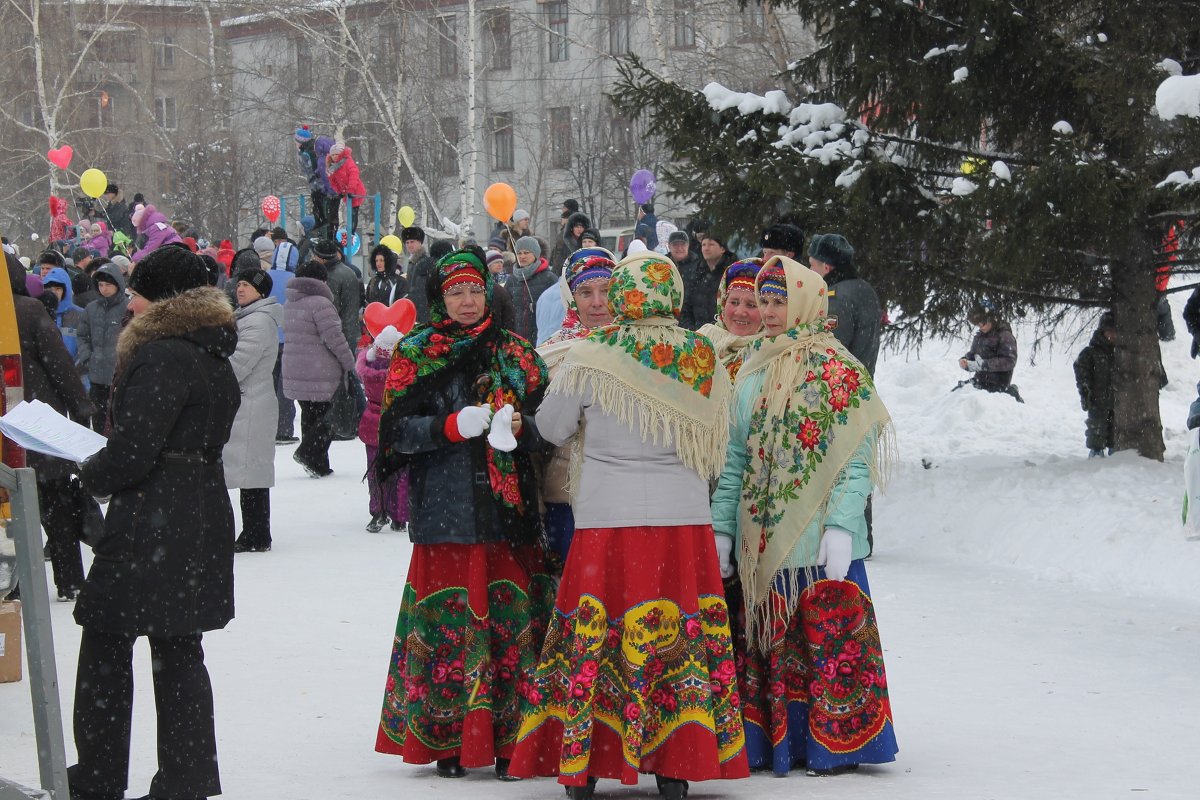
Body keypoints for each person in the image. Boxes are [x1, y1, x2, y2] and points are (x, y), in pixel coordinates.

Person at [509, 252, 745, 800]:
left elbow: (551, 425)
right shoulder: (701, 355)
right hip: (682, 518)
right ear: (675, 295)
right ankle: (675, 761)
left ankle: (587, 759)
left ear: (622, 296)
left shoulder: (593, 355)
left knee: (599, 636)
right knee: (677, 637)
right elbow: (720, 435)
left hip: (606, 519)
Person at [711, 256, 898, 777]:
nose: (769, 312)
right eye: (764, 301)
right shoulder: (751, 370)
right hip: (762, 539)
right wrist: (722, 528)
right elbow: (735, 462)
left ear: (808, 302)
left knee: (824, 639)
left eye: (779, 301)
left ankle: (834, 743)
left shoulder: (839, 371)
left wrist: (842, 525)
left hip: (818, 541)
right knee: (770, 641)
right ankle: (780, 742)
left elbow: (855, 456)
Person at [373, 247, 554, 781]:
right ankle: (446, 738)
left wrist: (518, 429)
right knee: (449, 626)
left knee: (508, 625)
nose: (468, 301)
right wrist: (448, 427)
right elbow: (393, 437)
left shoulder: (518, 354)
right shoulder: (415, 351)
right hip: (445, 512)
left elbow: (550, 432)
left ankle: (509, 740)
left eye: (475, 289)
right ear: (439, 298)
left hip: (508, 513)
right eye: (456, 292)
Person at [68, 246, 239, 800]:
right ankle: (186, 778)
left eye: (139, 292)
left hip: (152, 519)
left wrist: (89, 473)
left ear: (165, 300)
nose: (131, 302)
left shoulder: (161, 354)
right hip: (201, 510)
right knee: (179, 647)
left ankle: (96, 778)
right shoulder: (210, 350)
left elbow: (135, 451)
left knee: (106, 646)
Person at [6, 252, 95, 603]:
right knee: (56, 508)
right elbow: (59, 364)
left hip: (7, 432)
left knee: (7, 511)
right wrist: (81, 408)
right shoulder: (29, 310)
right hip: (38, 425)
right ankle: (70, 580)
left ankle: (10, 585)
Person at [534, 252, 617, 563]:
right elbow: (536, 437)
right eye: (585, 292)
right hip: (565, 497)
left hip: (625, 500)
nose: (597, 302)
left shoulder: (642, 349)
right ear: (571, 297)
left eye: (606, 290)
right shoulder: (550, 355)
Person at [226, 269, 284, 553]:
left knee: (252, 472)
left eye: (246, 285)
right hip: (249, 401)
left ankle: (256, 533)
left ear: (260, 291)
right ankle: (254, 531)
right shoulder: (248, 317)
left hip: (252, 402)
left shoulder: (258, 322)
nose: (240, 289)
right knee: (249, 470)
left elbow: (238, 364)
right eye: (239, 284)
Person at [282, 260, 356, 477]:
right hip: (320, 372)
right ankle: (309, 453)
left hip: (296, 370)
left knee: (309, 416)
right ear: (321, 280)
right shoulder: (321, 304)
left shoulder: (290, 303)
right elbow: (335, 338)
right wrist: (349, 362)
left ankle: (318, 464)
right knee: (328, 418)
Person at [806, 233, 881, 375]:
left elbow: (830, 351)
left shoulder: (836, 299)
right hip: (861, 382)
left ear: (826, 268)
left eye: (812, 265)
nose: (809, 270)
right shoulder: (863, 287)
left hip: (840, 387)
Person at [356, 324, 406, 532]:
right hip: (397, 422)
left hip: (372, 421)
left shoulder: (368, 368)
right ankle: (399, 515)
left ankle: (378, 511)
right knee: (400, 470)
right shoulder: (402, 371)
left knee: (374, 469)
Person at [75, 263, 127, 432]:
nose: (104, 289)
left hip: (118, 377)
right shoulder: (91, 309)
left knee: (118, 422)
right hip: (96, 377)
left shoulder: (127, 308)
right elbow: (82, 335)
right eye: (101, 285)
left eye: (108, 285)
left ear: (118, 284)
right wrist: (87, 357)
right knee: (98, 423)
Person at [697, 258, 765, 380]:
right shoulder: (702, 341)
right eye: (734, 302)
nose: (740, 312)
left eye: (751, 305)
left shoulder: (772, 353)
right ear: (723, 303)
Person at [1074, 312, 1117, 458]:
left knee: (1115, 429)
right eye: (1109, 332)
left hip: (1116, 400)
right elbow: (1080, 369)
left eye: (1114, 332)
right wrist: (1086, 389)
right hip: (1097, 399)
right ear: (1102, 332)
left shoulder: (1120, 353)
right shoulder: (1092, 352)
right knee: (1096, 428)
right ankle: (1096, 452)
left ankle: (1114, 450)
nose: (1112, 335)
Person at [958, 306, 1020, 399]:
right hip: (979, 381)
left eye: (982, 323)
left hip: (997, 385)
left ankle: (1012, 393)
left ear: (991, 319)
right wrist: (965, 361)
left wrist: (985, 365)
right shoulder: (979, 336)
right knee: (958, 394)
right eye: (977, 324)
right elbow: (973, 354)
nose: (980, 326)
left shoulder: (1004, 335)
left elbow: (1009, 361)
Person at [679, 232, 736, 330]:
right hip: (697, 334)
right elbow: (685, 306)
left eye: (711, 244)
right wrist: (691, 330)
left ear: (722, 249)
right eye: (703, 245)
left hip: (723, 332)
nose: (706, 248)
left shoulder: (732, 272)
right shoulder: (695, 272)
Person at [508, 235, 556, 342]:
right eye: (519, 253)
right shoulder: (511, 280)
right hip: (517, 339)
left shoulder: (549, 278)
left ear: (535, 254)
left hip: (542, 338)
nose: (522, 256)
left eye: (526, 252)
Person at [402, 226, 436, 323]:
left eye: (412, 241)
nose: (409, 245)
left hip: (423, 311)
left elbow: (421, 291)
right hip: (415, 310)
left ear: (420, 242)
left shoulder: (425, 262)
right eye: (407, 242)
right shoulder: (412, 263)